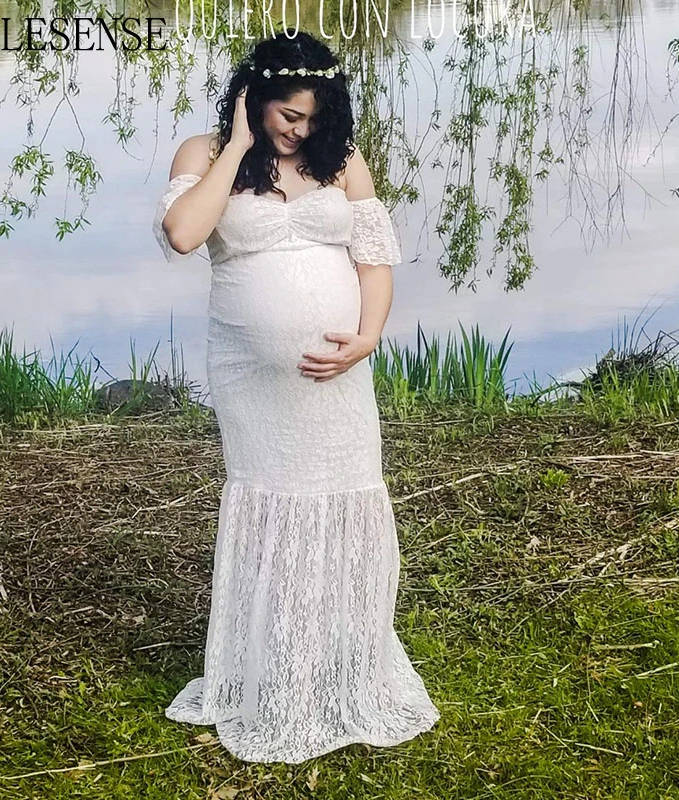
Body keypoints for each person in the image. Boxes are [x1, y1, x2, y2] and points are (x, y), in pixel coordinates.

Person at [152, 28, 440, 764]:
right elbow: (183, 234)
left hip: (339, 379)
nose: (300, 131)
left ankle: (345, 666)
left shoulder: (340, 159)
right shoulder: (203, 154)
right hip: (254, 383)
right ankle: (272, 669)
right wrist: (238, 145)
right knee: (273, 503)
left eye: (313, 117)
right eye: (287, 114)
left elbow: (374, 260)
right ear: (254, 98)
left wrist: (368, 336)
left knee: (346, 497)